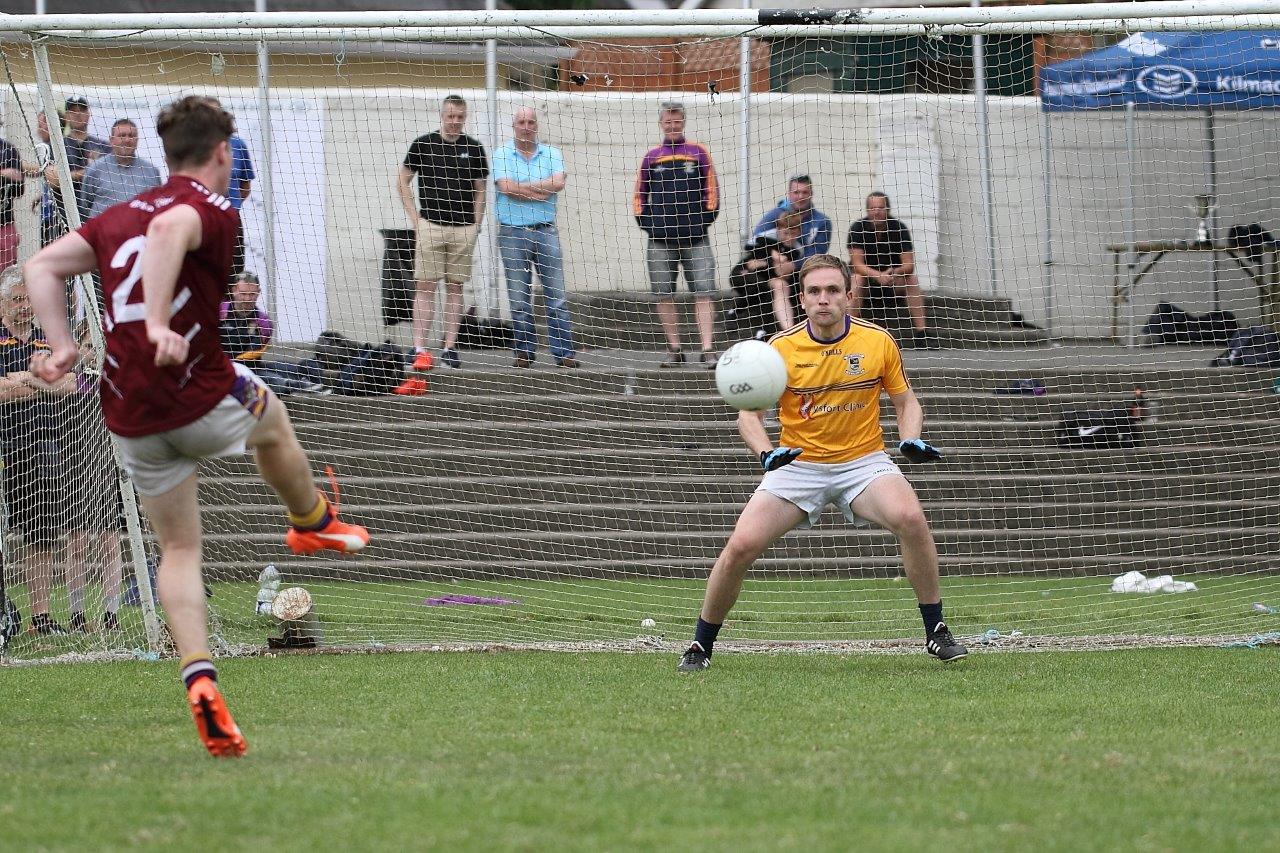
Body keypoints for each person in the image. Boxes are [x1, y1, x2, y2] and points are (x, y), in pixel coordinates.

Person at [24, 95, 370, 758]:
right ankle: (311, 519)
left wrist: (61, 342)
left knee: (180, 549)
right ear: (220, 154)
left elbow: (40, 266)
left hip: (128, 410)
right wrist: (157, 323)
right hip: (198, 390)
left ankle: (200, 678)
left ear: (164, 154)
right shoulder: (214, 208)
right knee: (272, 413)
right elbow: (168, 234)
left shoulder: (117, 215)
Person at [677, 254, 967, 673]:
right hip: (797, 466)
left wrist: (911, 437)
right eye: (814, 291)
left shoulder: (878, 341)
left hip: (863, 462)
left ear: (849, 296)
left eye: (833, 290)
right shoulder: (779, 350)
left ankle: (936, 630)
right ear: (802, 298)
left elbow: (906, 401)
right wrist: (765, 454)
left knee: (911, 518)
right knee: (740, 546)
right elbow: (748, 416)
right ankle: (700, 646)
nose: (824, 299)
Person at [0, 267, 75, 635]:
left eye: (28, 298)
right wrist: (42, 381)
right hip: (4, 443)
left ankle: (40, 618)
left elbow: (71, 382)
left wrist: (27, 380)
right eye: (17, 299)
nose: (24, 305)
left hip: (42, 442)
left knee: (42, 534)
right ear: (2, 301)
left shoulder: (47, 337)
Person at [396, 94, 488, 383]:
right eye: (450, 116)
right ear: (442, 115)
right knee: (425, 287)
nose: (455, 122)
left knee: (456, 289)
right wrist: (416, 221)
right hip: (431, 227)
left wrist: (476, 224)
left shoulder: (474, 148)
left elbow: (481, 190)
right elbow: (402, 181)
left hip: (463, 229)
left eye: (460, 117)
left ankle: (449, 348)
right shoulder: (422, 144)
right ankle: (419, 347)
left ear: (465, 117)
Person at [633, 101, 720, 369]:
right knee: (663, 295)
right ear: (661, 124)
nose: (672, 126)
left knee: (704, 293)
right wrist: (650, 225)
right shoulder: (651, 157)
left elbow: (712, 192)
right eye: (668, 122)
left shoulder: (699, 152)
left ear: (683, 122)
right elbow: (639, 196)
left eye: (677, 121)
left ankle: (707, 350)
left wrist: (701, 223)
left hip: (696, 240)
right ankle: (674, 350)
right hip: (660, 241)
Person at [492, 106, 579, 369]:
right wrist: (540, 189)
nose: (527, 126)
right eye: (521, 122)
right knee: (519, 299)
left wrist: (523, 190)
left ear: (536, 125)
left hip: (545, 231)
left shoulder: (552, 153)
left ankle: (564, 354)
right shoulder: (501, 154)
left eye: (531, 121)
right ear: (514, 126)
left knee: (557, 297)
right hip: (512, 234)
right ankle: (524, 352)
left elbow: (558, 184)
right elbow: (506, 188)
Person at [64, 320, 125, 633]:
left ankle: (111, 614)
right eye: (88, 346)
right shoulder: (73, 384)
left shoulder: (118, 383)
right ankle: (76, 613)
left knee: (109, 545)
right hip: (77, 470)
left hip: (111, 472)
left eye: (99, 347)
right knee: (76, 545)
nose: (94, 353)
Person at [846, 191, 934, 347]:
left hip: (892, 281)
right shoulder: (857, 228)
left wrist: (894, 272)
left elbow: (908, 265)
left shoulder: (899, 228)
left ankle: (922, 333)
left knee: (911, 280)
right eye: (873, 208)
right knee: (856, 279)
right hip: (867, 282)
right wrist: (877, 275)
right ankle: (846, 331)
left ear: (888, 209)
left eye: (881, 207)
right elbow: (857, 264)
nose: (877, 211)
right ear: (867, 210)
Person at [219, 272, 328, 395]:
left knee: (277, 368)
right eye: (243, 294)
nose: (247, 299)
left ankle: (302, 382)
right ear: (234, 291)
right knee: (267, 379)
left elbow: (250, 355)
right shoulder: (218, 312)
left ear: (258, 292)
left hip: (249, 367)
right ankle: (295, 385)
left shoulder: (264, 322)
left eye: (252, 294)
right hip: (217, 367)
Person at [729, 210, 802, 337]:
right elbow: (751, 259)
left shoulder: (795, 249)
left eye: (793, 234)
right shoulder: (766, 239)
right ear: (779, 230)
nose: (789, 237)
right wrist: (771, 256)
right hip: (742, 273)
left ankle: (762, 329)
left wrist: (766, 263)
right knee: (761, 285)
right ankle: (735, 310)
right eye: (786, 233)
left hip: (764, 277)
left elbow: (779, 270)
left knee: (770, 288)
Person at [43, 95, 108, 236]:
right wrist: (89, 172)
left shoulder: (103, 147)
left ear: (88, 114)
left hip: (97, 219)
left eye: (82, 110)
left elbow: (109, 177)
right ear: (66, 116)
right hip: (62, 220)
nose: (78, 114)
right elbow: (52, 179)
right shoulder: (56, 146)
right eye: (73, 111)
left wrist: (68, 176)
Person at [79, 119, 163, 220]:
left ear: (137, 140)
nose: (127, 140)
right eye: (122, 135)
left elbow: (157, 205)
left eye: (131, 135)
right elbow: (85, 206)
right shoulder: (95, 169)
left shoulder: (152, 172)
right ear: (111, 140)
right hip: (104, 233)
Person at [751, 174, 831, 262]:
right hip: (770, 265)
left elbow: (818, 252)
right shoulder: (775, 215)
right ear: (789, 194)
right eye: (796, 192)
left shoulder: (822, 221)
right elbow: (756, 241)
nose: (800, 197)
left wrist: (793, 266)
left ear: (811, 193)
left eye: (805, 192)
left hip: (804, 269)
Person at [0, 130, 23, 270]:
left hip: (4, 226)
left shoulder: (7, 149)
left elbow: (20, 189)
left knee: (5, 284)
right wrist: (3, 173)